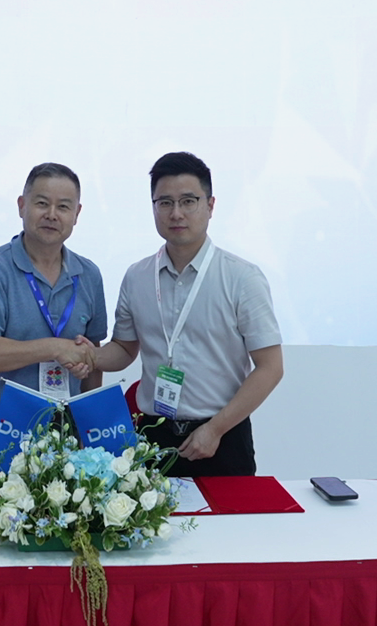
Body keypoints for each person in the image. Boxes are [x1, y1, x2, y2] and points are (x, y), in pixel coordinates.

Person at [95, 152, 283, 476]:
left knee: (229, 512)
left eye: (188, 201)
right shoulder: (137, 276)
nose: (176, 213)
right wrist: (86, 355)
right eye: (165, 203)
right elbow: (124, 348)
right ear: (153, 207)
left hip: (222, 436)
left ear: (210, 205)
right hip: (152, 434)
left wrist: (215, 429)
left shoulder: (242, 278)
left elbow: (271, 367)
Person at [0, 162, 105, 465]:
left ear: (77, 214)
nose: (52, 214)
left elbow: (92, 354)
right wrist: (54, 347)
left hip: (66, 419)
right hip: (0, 421)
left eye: (63, 207)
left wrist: (88, 416)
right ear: (22, 206)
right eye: (42, 203)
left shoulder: (89, 274)